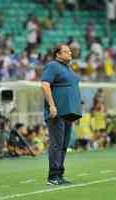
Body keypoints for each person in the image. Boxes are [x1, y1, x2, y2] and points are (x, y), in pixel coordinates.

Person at [41, 44, 82, 185]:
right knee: (56, 144)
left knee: (64, 145)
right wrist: (52, 105)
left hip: (68, 112)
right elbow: (45, 85)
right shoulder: (52, 66)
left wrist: (77, 111)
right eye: (66, 51)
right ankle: (53, 176)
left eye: (70, 51)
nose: (70, 53)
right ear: (58, 54)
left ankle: (59, 174)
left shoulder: (68, 69)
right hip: (57, 112)